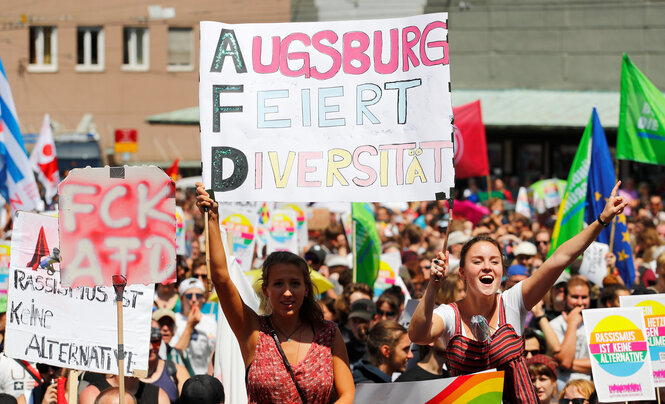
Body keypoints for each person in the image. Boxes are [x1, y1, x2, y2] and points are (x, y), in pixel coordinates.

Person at [408, 182, 627, 403]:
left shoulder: (512, 302)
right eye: (478, 261)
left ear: (502, 270)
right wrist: (433, 286)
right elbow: (417, 335)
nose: (487, 267)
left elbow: (559, 259)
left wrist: (602, 221)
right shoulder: (449, 315)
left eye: (494, 261)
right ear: (463, 273)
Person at [196, 185, 355, 404]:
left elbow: (347, 394)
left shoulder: (328, 334)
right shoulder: (252, 331)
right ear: (265, 290)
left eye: (295, 283)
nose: (287, 292)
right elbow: (222, 280)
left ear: (306, 288)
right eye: (278, 284)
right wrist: (213, 218)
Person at [549, 276, 593, 390]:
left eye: (584, 297)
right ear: (565, 299)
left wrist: (565, 364)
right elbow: (565, 361)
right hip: (562, 388)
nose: (580, 302)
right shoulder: (554, 325)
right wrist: (572, 324)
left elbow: (601, 364)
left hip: (590, 387)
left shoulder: (597, 323)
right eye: (574, 297)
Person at [170, 278, 217, 375]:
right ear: (182, 298)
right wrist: (189, 326)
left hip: (206, 376)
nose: (194, 299)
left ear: (203, 298)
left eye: (198, 296)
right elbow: (174, 353)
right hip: (182, 376)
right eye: (189, 296)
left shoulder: (211, 321)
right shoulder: (174, 320)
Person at [140, 326, 190, 403]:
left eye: (155, 342)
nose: (150, 347)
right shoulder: (126, 376)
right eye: (145, 342)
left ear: (161, 342)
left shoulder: (178, 371)